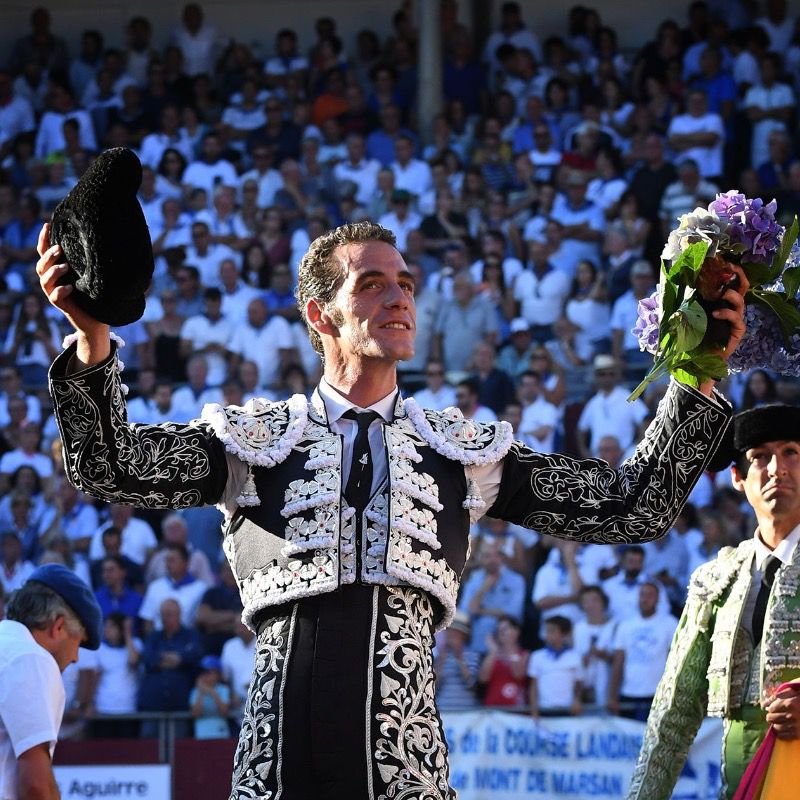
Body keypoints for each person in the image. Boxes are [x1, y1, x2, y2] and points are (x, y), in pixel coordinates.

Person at [39, 219, 743, 798]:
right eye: (372, 284)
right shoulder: (252, 442)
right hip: (273, 766)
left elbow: (630, 508)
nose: (399, 298)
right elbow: (111, 466)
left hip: (401, 770)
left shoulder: (465, 450)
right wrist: (93, 337)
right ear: (322, 314)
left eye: (405, 283)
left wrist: (701, 368)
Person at [627, 405, 800, 799]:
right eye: (760, 457)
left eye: (791, 451)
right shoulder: (716, 580)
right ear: (739, 478)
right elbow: (673, 714)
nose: (777, 469)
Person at [0, 563, 102, 800]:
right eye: (78, 642)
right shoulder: (32, 657)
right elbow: (36, 786)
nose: (76, 657)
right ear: (58, 626)